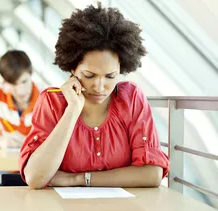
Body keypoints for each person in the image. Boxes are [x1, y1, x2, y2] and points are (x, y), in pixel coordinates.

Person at [19, 3, 169, 189]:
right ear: (72, 67)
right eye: (89, 76)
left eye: (110, 76)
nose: (99, 87)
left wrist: (78, 179)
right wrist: (72, 110)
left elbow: (152, 174)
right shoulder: (51, 102)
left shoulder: (131, 98)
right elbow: (35, 178)